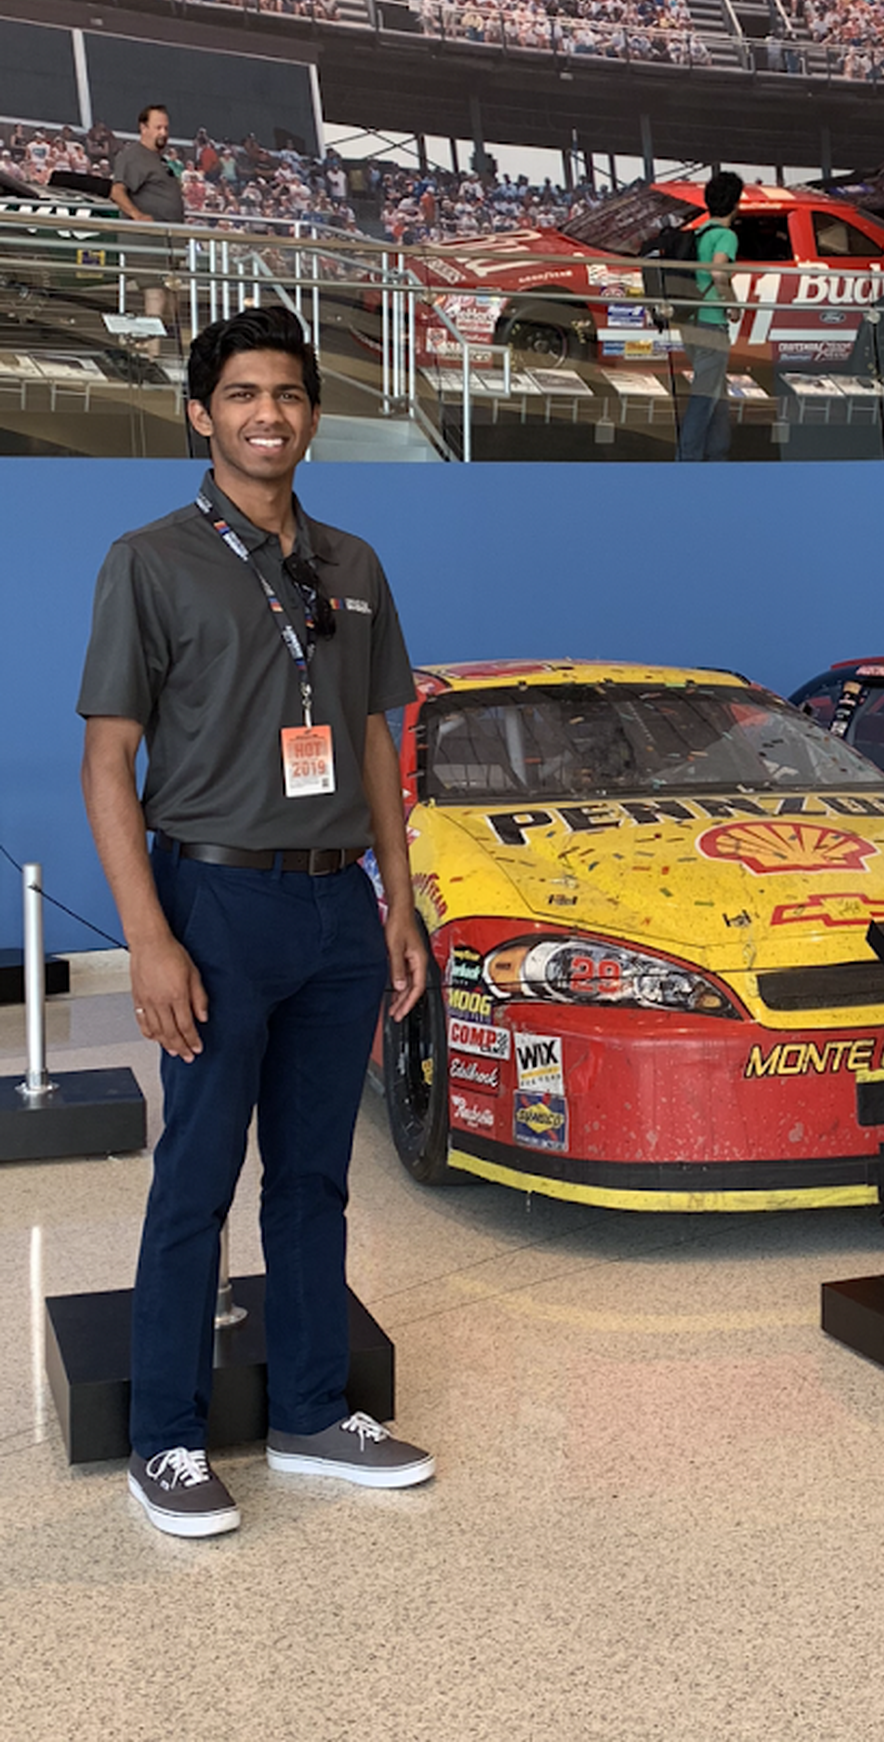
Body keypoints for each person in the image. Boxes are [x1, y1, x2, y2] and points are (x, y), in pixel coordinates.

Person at [78, 304, 433, 1539]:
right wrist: (150, 936)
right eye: (242, 395)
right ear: (200, 411)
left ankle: (312, 1411)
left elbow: (381, 747)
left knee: (317, 1175)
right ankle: (165, 1438)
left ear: (313, 417)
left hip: (340, 905)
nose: (267, 414)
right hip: (215, 900)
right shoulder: (151, 559)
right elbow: (106, 764)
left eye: (287, 394)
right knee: (196, 1175)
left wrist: (398, 900)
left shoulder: (355, 566)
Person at [676, 170, 743, 462]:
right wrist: (732, 303)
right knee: (705, 396)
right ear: (735, 204)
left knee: (716, 389)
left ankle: (718, 452)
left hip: (690, 321)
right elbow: (718, 272)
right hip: (712, 322)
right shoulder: (726, 236)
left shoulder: (700, 233)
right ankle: (687, 457)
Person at [111, 104, 185, 351]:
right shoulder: (133, 156)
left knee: (172, 302)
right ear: (143, 128)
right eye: (158, 127)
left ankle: (142, 342)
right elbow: (117, 191)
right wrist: (137, 215)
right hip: (147, 242)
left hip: (169, 242)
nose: (163, 132)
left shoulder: (160, 160)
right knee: (155, 295)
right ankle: (151, 355)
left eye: (166, 127)